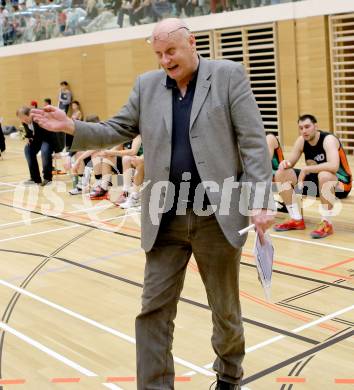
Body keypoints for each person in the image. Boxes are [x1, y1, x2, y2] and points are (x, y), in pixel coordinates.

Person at [32, 18, 274, 389]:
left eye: (171, 51)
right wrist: (70, 128)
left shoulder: (228, 76)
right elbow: (116, 129)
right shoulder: (147, 86)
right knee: (153, 311)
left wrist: (259, 201)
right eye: (158, 53)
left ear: (191, 43)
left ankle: (229, 375)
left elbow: (254, 144)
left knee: (225, 311)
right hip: (165, 217)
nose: (165, 60)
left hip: (217, 215)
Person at [273, 114, 352, 239]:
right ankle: (296, 219)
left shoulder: (328, 139)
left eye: (307, 127)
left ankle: (327, 223)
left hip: (341, 183)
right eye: (301, 128)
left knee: (325, 175)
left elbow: (334, 166)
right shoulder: (301, 141)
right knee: (281, 173)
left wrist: (306, 169)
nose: (304, 131)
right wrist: (284, 163)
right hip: (317, 181)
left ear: (316, 126)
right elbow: (291, 162)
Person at [17, 106, 55, 186]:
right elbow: (29, 133)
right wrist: (28, 137)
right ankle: (35, 178)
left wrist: (58, 151)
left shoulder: (38, 119)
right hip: (37, 139)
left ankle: (47, 178)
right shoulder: (25, 121)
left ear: (29, 115)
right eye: (21, 119)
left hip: (47, 138)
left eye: (23, 118)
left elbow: (44, 133)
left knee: (45, 151)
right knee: (28, 150)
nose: (22, 121)